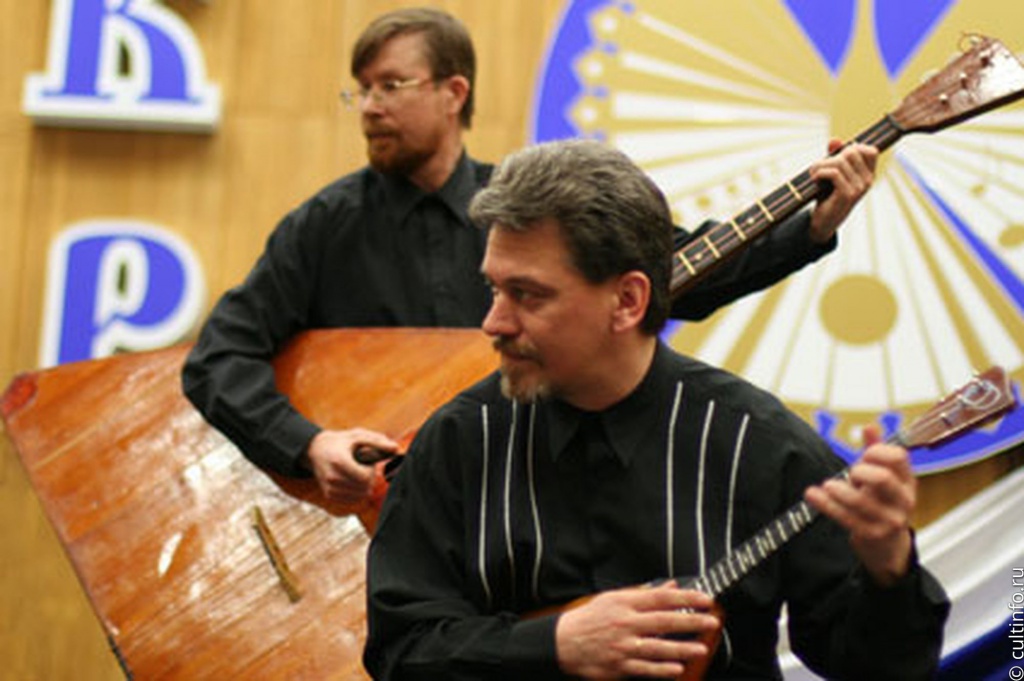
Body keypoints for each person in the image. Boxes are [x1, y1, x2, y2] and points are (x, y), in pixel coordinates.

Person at [181, 7, 879, 505]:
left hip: (529, 504)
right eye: (360, 90)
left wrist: (811, 226)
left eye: (390, 85)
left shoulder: (532, 212)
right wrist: (307, 444)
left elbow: (677, 270)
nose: (368, 106)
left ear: (454, 92)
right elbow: (217, 357)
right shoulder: (324, 227)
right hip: (383, 528)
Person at [363, 139, 948, 680]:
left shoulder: (762, 446)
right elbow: (399, 652)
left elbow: (880, 670)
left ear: (627, 300)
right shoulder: (461, 440)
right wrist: (555, 644)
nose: (493, 322)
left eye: (527, 295)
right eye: (494, 289)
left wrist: (888, 570)